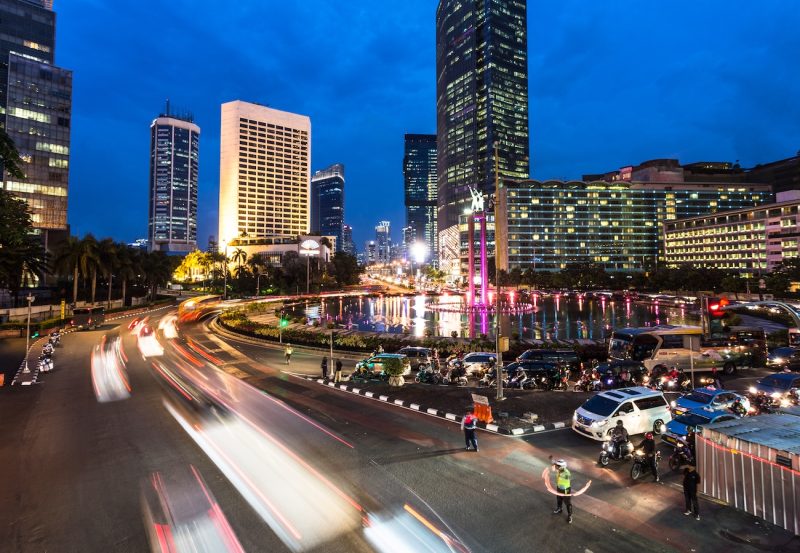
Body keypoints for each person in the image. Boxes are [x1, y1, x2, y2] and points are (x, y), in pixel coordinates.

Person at [551, 459, 573, 524]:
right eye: (557, 466)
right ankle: (559, 508)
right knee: (559, 499)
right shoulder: (559, 470)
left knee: (567, 502)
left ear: (562, 467)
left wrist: (559, 471)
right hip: (559, 487)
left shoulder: (566, 472)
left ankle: (570, 515)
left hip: (566, 489)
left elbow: (567, 476)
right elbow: (554, 465)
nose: (556, 467)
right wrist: (553, 462)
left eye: (558, 466)